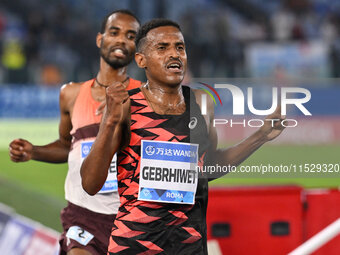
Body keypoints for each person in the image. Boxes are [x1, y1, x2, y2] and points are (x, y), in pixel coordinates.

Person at [80, 19, 285, 254]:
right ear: (141, 60)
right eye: (162, 48)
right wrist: (109, 121)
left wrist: (260, 136)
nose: (174, 54)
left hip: (189, 246)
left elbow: (209, 168)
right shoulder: (126, 105)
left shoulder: (202, 103)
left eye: (180, 47)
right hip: (135, 245)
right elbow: (90, 183)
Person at [8, 10, 141, 255]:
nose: (122, 39)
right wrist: (33, 151)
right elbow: (66, 145)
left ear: (138, 49)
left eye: (130, 35)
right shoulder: (71, 94)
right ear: (100, 39)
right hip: (84, 215)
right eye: (115, 32)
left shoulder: (145, 98)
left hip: (131, 219)